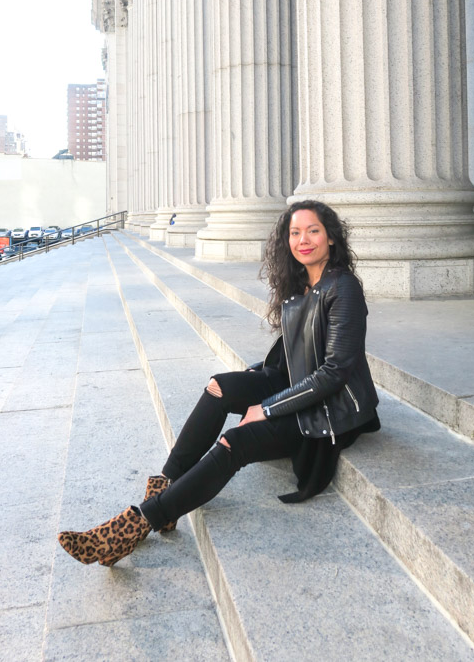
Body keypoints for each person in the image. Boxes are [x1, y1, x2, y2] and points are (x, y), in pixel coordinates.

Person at [57, 200, 380, 567]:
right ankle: (166, 484)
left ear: (331, 238)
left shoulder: (344, 288)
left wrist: (267, 407)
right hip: (297, 384)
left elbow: (334, 371)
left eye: (313, 231)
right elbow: (294, 355)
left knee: (234, 441)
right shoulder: (302, 284)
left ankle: (135, 524)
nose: (303, 240)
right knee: (218, 387)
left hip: (329, 410)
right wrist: (252, 382)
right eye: (295, 232)